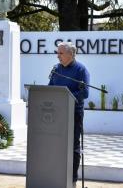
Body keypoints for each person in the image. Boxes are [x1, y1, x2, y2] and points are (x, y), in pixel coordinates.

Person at [48, 42, 89, 187]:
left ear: (70, 54)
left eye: (60, 53)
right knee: (56, 144)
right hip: (56, 113)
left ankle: (72, 180)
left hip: (74, 113)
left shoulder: (81, 70)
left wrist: (67, 97)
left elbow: (84, 92)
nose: (57, 56)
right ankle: (56, 176)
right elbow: (50, 89)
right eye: (57, 53)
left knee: (73, 146)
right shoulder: (56, 69)